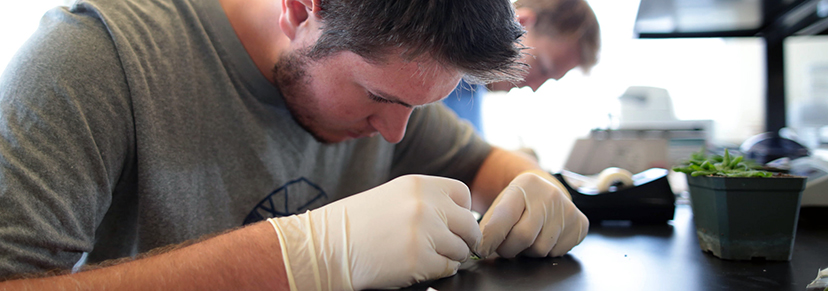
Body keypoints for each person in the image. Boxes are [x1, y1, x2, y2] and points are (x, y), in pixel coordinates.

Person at [0, 0, 589, 289]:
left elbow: (480, 163)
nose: (394, 132)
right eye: (379, 98)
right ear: (302, 9)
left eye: (418, 107)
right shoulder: (94, 60)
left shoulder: (391, 83)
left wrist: (530, 188)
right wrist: (304, 255)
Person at [443, 0, 601, 135]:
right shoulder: (436, 78)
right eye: (543, 69)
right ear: (520, 23)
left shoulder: (472, 93)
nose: (534, 87)